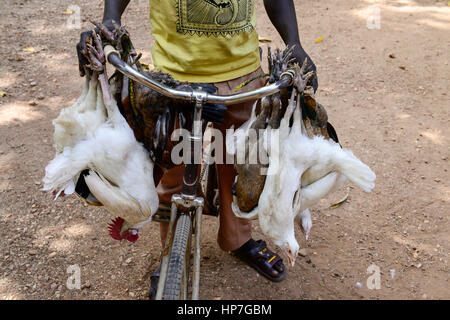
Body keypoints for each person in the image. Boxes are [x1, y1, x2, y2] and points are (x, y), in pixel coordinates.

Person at [77, 0, 318, 298]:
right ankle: (172, 253)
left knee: (242, 170)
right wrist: (110, 19)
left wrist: (293, 42)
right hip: (175, 78)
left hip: (243, 76)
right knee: (173, 174)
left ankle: (239, 239)